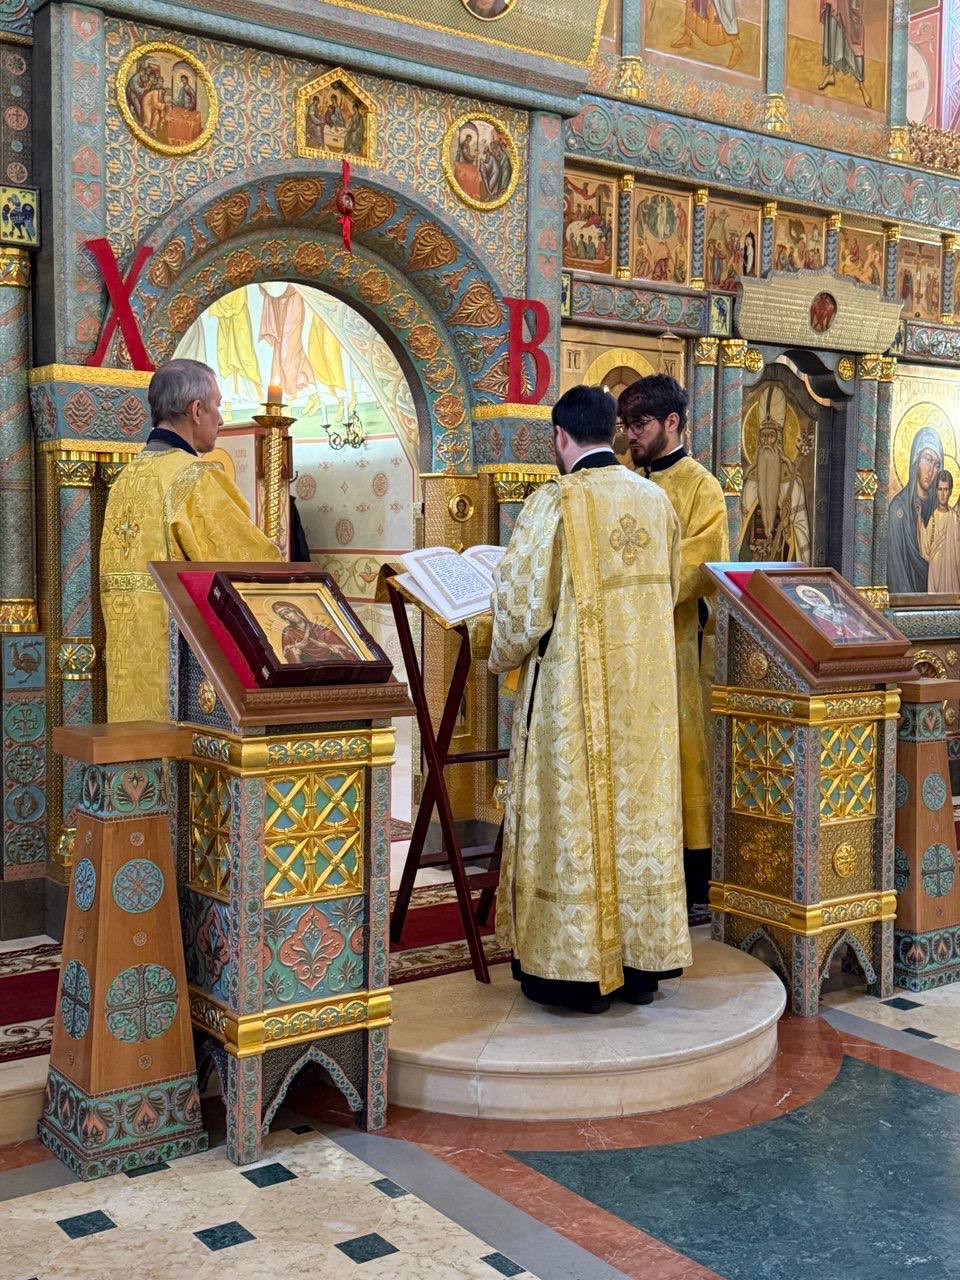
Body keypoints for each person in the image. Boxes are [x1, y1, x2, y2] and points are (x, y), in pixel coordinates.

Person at [490, 385, 690, 1014]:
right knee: (639, 821)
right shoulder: (656, 501)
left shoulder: (555, 502)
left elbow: (521, 610)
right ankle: (639, 969)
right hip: (647, 703)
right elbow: (672, 589)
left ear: (560, 436)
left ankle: (572, 974)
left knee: (572, 821)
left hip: (572, 704)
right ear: (613, 430)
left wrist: (491, 644)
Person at [100, 359, 280, 722]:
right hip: (182, 681)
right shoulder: (194, 478)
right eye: (217, 406)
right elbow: (252, 569)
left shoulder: (124, 481)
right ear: (197, 410)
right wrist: (274, 553)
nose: (221, 419)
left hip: (126, 671)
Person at [618, 374, 729, 922]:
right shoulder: (624, 482)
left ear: (672, 422)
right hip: (627, 647)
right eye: (625, 425)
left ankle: (692, 881)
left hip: (678, 647)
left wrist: (635, 581)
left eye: (640, 424)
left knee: (684, 759)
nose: (631, 435)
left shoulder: (700, 486)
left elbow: (704, 560)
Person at [739, 384, 811, 562]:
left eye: (771, 436)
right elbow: (739, 531)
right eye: (763, 436)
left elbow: (800, 531)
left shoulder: (792, 482)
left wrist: (787, 527)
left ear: (779, 440)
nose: (766, 442)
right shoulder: (750, 482)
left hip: (781, 560)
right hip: (752, 561)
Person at [887, 427, 943, 594]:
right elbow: (896, 570)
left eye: (937, 465)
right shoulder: (898, 509)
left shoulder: (940, 512)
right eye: (928, 459)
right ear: (915, 459)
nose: (931, 471)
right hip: (907, 600)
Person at [273, 601, 356, 663]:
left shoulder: (319, 628)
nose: (288, 616)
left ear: (295, 610)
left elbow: (346, 650)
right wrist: (297, 646)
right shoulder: (288, 632)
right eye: (283, 616)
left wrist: (326, 646)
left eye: (287, 612)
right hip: (308, 665)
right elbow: (287, 652)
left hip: (331, 661)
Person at [921, 469, 960, 594]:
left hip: (952, 577)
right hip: (935, 575)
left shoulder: (955, 519)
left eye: (946, 489)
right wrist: (919, 523)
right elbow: (926, 550)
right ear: (936, 491)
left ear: (950, 492)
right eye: (940, 489)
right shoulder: (932, 518)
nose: (942, 494)